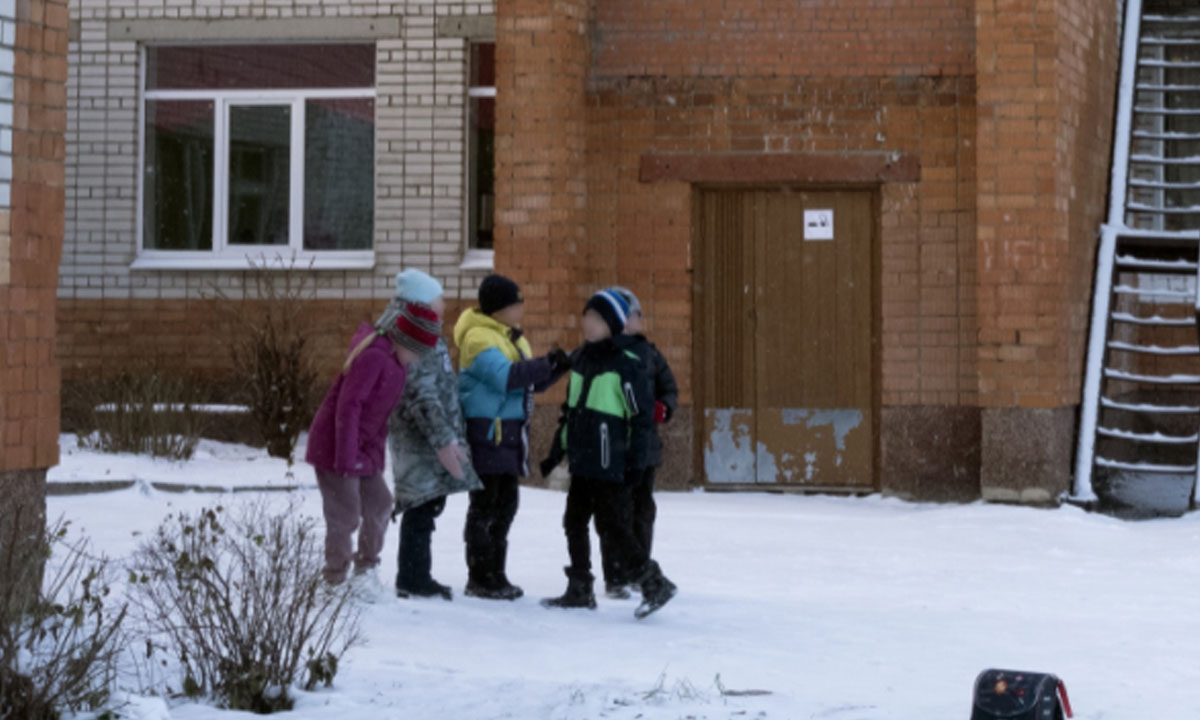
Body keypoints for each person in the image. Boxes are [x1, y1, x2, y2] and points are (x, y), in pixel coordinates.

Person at [540, 289, 678, 620]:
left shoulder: (626, 365)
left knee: (615, 527)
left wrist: (634, 463)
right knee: (573, 522)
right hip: (583, 463)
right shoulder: (582, 360)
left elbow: (641, 420)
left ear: (614, 324)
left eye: (597, 319)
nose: (588, 324)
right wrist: (557, 451)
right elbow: (570, 412)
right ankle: (580, 587)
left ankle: (652, 580)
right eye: (587, 317)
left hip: (610, 463)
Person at [305, 299, 442, 591]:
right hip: (335, 447)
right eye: (417, 351)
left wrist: (373, 457)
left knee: (379, 503)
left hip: (362, 448)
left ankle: (365, 570)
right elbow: (348, 407)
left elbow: (379, 418)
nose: (417, 359)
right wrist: (346, 458)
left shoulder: (397, 364)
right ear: (405, 340)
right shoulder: (374, 357)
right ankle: (334, 580)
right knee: (346, 513)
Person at [454, 274, 571, 600]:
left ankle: (497, 573)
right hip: (487, 433)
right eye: (516, 303)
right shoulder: (479, 338)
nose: (521, 308)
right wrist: (544, 363)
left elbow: (526, 383)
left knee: (505, 505)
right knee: (485, 507)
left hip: (510, 434)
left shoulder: (512, 338)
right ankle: (480, 576)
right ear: (498, 308)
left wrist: (557, 368)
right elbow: (505, 378)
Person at [388, 270, 483, 600]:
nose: (444, 303)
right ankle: (412, 577)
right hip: (419, 444)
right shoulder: (414, 338)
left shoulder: (427, 334)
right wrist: (444, 440)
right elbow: (422, 396)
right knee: (420, 508)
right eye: (438, 298)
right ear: (420, 303)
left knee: (427, 508)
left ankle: (417, 574)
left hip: (429, 441)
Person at [598, 286, 678, 600]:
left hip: (645, 449)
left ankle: (638, 568)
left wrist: (665, 407)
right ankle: (615, 574)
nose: (637, 320)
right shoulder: (603, 354)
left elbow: (668, 388)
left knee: (643, 510)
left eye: (638, 315)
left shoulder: (650, 353)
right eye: (632, 315)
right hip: (613, 449)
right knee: (616, 511)